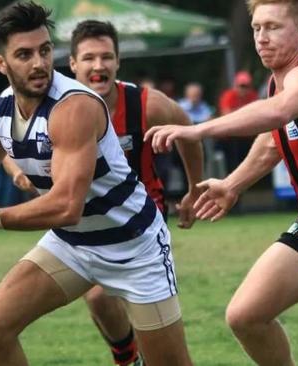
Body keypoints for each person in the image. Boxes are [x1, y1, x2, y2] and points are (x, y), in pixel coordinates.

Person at [0, 3, 195, 365]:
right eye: (24, 55)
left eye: (44, 51)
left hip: (134, 248)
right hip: (73, 244)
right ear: (1, 64)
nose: (39, 63)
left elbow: (65, 206)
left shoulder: (75, 107)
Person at [145, 0, 298, 364]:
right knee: (246, 316)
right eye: (256, 28)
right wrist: (233, 184)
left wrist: (196, 130)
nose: (261, 38)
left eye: (272, 27)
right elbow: (275, 138)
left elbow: (279, 112)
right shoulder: (278, 82)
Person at [68, 20, 204, 366]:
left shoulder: (147, 104)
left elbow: (188, 131)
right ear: (73, 65)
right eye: (89, 58)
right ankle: (128, 358)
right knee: (97, 300)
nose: (98, 66)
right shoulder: (59, 106)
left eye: (106, 57)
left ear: (118, 62)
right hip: (87, 217)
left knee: (105, 295)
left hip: (141, 215)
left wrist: (194, 189)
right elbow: (10, 145)